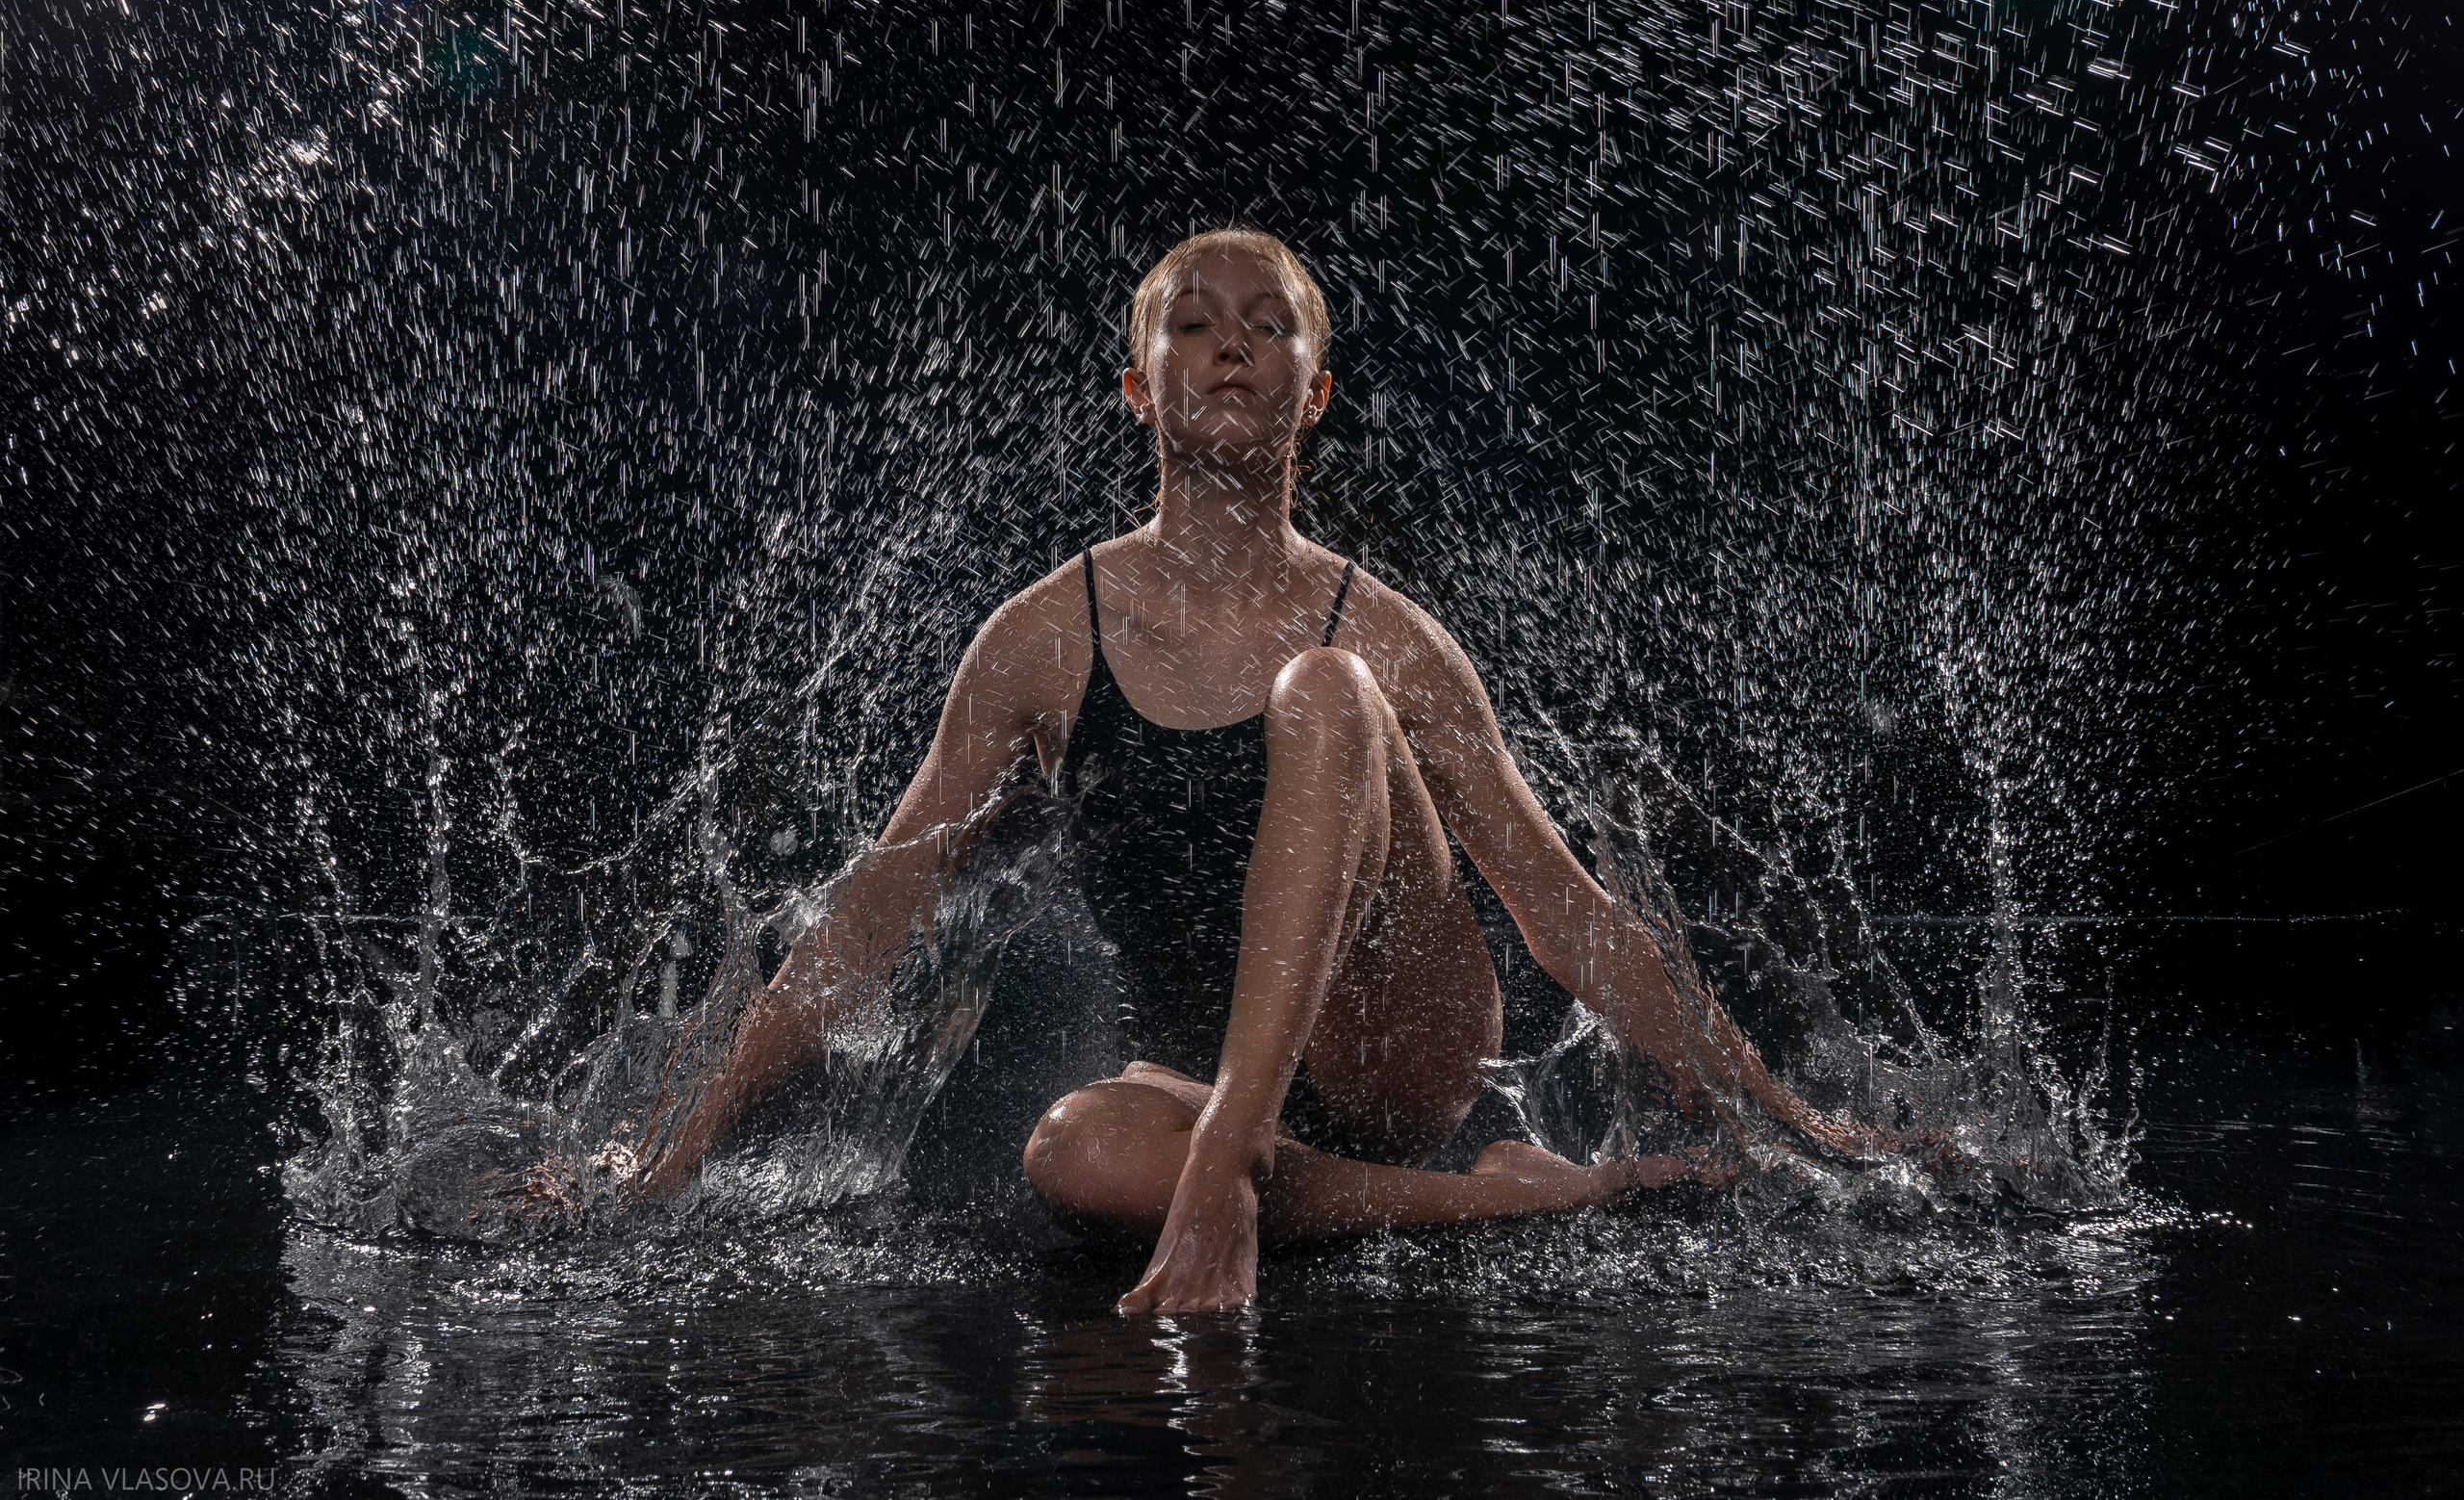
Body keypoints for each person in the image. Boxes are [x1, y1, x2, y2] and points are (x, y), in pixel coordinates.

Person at [635, 228, 1875, 1312]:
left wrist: (1792, 1123)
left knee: (1323, 688)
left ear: (1314, 392)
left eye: (1268, 325)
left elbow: (1562, 910)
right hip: (1197, 1073)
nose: (1232, 342)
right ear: (1137, 387)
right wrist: (671, 1154)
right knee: (1069, 1153)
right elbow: (874, 910)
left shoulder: (1387, 633)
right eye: (1193, 323)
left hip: (1393, 1049)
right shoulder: (1043, 639)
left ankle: (1239, 1160)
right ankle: (1527, 1199)